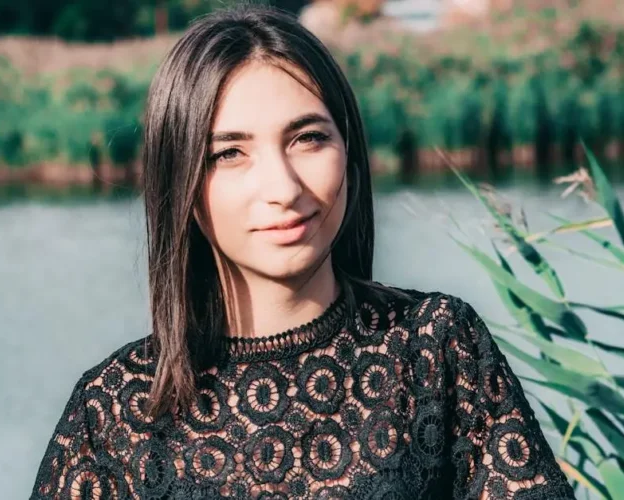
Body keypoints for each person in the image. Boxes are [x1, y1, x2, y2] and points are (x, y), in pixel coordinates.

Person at [30, 5, 576, 499]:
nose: (284, 189)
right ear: (183, 187)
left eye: (307, 138)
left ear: (349, 151)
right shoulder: (115, 412)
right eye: (230, 153)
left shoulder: (434, 347)